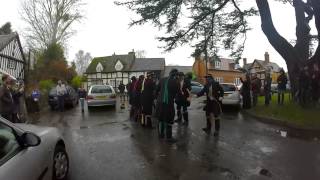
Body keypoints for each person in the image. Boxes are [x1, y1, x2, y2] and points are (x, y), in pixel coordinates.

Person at [156, 69, 179, 142]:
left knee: (161, 118)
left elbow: (156, 90)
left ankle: (161, 134)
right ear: (175, 75)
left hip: (160, 103)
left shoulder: (162, 80)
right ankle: (169, 137)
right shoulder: (175, 82)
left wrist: (158, 98)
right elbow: (178, 92)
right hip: (168, 103)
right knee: (169, 119)